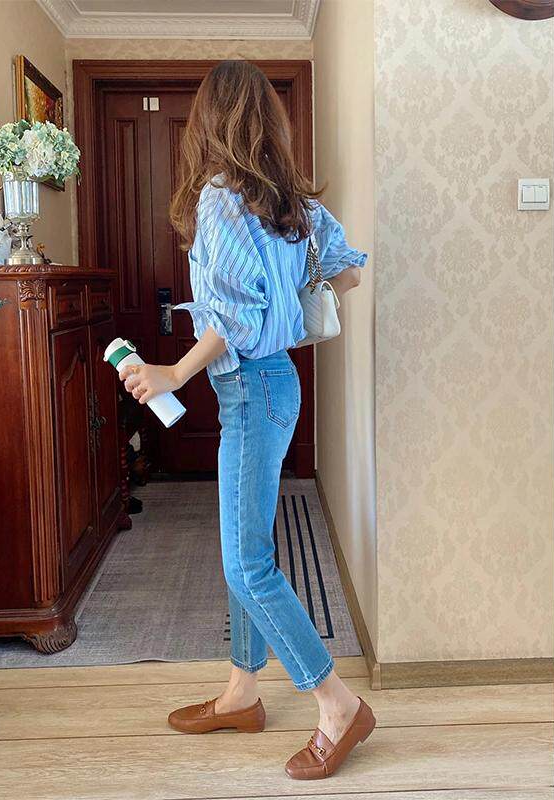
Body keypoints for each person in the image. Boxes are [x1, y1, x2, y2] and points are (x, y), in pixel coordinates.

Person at [119, 59, 374, 780]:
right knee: (245, 544)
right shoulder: (292, 204)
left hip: (250, 389)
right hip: (277, 385)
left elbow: (232, 318)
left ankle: (338, 705)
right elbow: (349, 271)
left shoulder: (221, 199)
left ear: (210, 120)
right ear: (268, 121)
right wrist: (291, 283)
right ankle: (241, 693)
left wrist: (172, 372)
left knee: (246, 561)